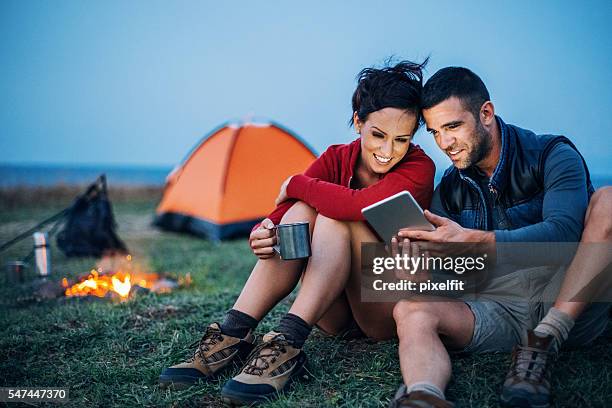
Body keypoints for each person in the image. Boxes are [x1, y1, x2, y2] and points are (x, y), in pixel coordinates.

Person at [159, 60, 436, 405]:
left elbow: (357, 205)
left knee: (336, 215)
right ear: (357, 121)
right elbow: (283, 210)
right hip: (333, 313)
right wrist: (263, 231)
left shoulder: (420, 168)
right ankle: (233, 334)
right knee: (302, 210)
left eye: (401, 140)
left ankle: (286, 344)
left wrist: (296, 182)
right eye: (378, 135)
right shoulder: (338, 157)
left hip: (383, 310)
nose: (387, 151)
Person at [387, 67, 611, 408]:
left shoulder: (552, 154)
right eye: (435, 132)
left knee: (609, 201)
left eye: (453, 126)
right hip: (502, 309)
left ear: (486, 113)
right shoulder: (449, 187)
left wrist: (477, 241)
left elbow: (564, 234)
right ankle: (424, 394)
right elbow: (446, 275)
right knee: (411, 310)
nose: (445, 143)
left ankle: (546, 339)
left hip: (571, 301)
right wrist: (414, 269)